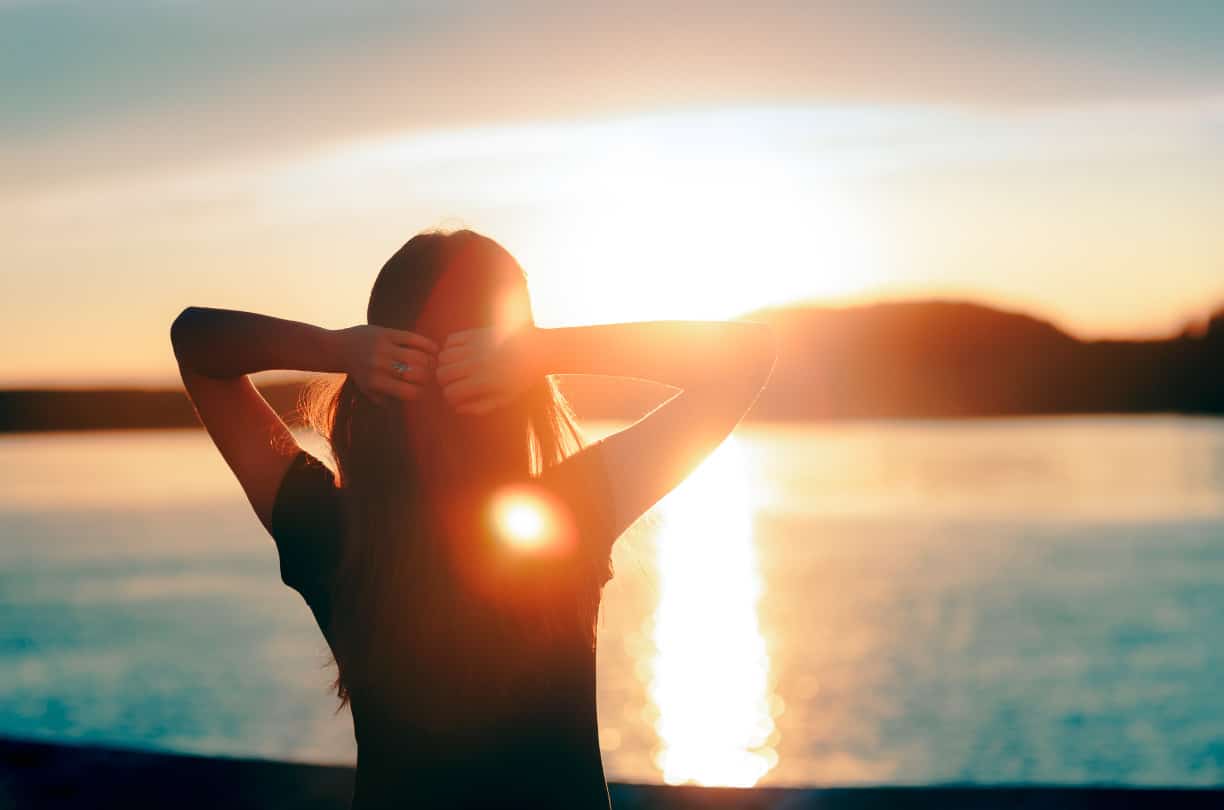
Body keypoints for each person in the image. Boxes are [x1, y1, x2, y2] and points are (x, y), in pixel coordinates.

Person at [170, 228, 776, 809]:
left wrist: (337, 349)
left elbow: (196, 345)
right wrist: (540, 351)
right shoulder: (568, 512)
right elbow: (744, 356)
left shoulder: (329, 526)